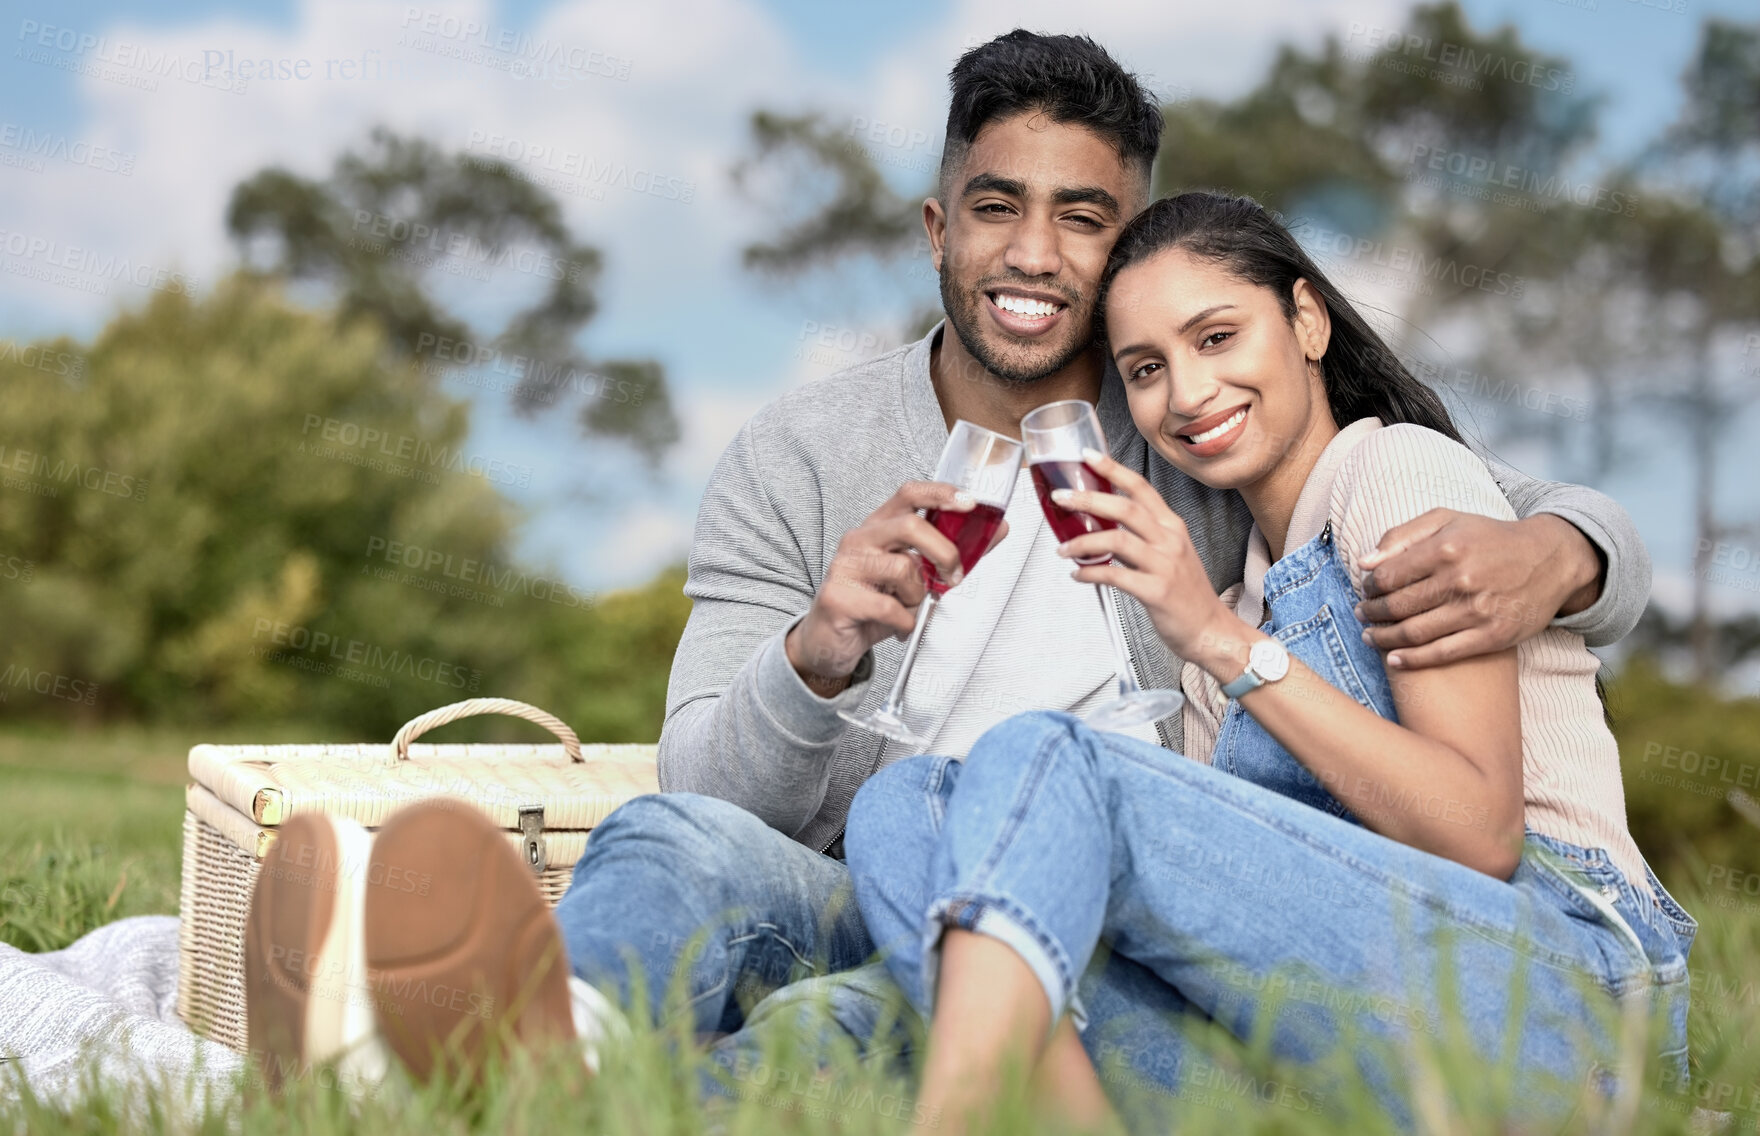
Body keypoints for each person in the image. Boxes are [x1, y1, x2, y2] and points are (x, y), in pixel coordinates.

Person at [233, 30, 1658, 1090]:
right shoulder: (800, 454)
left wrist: (1562, 553)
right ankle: (535, 1059)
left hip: (1110, 918)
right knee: (675, 838)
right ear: (939, 228)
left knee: (859, 1008)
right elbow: (701, 778)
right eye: (997, 206)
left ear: (1128, 250)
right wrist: (819, 653)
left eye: (1085, 218)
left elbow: (1439, 475)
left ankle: (475, 1093)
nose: (1035, 252)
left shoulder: (1184, 422)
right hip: (880, 878)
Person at [841, 191, 1697, 1133]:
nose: (1190, 393)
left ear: (1307, 320)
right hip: (1347, 1029)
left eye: (1217, 338)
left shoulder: (1399, 475)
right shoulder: (1223, 632)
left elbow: (1478, 836)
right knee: (908, 805)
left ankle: (960, 1116)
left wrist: (1217, 639)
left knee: (1051, 755)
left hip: (1562, 994)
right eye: (1147, 370)